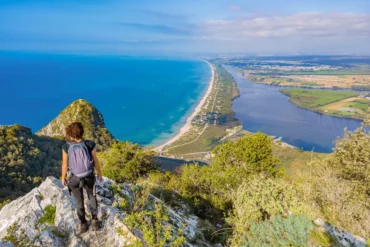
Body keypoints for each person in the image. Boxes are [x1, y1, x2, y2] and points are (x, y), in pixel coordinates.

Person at [61, 122, 103, 233]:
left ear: (70, 134)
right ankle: (95, 221)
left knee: (79, 200)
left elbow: (65, 164)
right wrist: (99, 173)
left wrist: (63, 177)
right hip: (89, 176)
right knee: (92, 197)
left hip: (74, 178)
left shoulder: (66, 147)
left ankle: (83, 223)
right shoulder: (90, 144)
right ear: (82, 132)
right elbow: (95, 161)